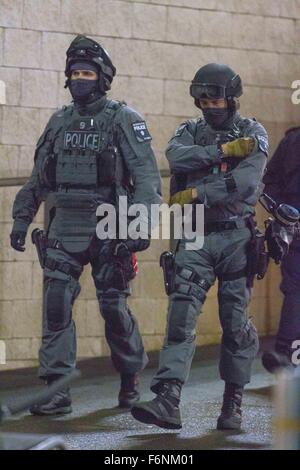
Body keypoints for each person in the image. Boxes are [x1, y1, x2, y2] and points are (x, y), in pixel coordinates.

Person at [10, 35, 162, 415]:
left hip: (110, 225)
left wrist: (140, 227)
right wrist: (21, 217)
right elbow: (38, 177)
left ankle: (130, 378)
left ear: (103, 77)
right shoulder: (59, 120)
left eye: (87, 73)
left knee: (113, 307)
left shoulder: (124, 118)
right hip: (65, 224)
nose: (80, 79)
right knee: (57, 306)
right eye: (75, 72)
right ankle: (56, 392)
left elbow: (147, 180)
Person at [131, 63, 268, 431]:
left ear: (232, 98)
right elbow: (176, 157)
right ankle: (168, 399)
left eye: (216, 98)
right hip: (194, 236)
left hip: (236, 237)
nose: (209, 106)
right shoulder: (189, 130)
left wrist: (198, 193)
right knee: (181, 314)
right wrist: (224, 151)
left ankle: (232, 403)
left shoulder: (253, 132)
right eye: (203, 99)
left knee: (235, 323)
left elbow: (247, 181)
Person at [261, 127, 300, 373]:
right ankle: (286, 352)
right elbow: (271, 181)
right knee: (294, 287)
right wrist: (283, 213)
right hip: (295, 231)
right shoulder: (292, 141)